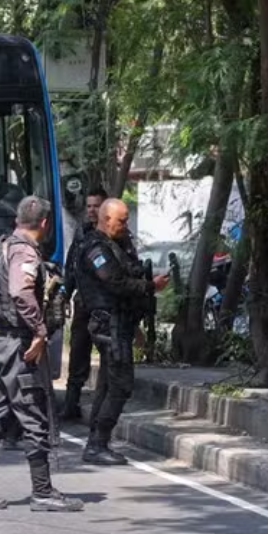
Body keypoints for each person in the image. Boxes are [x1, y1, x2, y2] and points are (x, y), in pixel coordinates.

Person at [0, 196, 83, 512]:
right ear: (44, 223)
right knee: (34, 416)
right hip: (21, 347)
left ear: (18, 220)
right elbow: (20, 291)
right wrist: (40, 332)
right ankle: (42, 492)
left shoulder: (1, 248)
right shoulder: (24, 251)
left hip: (3, 344)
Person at [76, 198, 169, 465]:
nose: (126, 226)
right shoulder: (96, 248)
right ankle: (97, 444)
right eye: (122, 220)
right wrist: (149, 286)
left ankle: (97, 441)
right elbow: (114, 282)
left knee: (108, 383)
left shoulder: (117, 246)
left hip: (119, 323)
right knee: (120, 384)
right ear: (106, 220)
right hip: (109, 324)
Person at [61, 185, 108, 420]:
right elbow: (71, 268)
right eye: (88, 206)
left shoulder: (115, 234)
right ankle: (71, 403)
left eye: (96, 206)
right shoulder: (81, 234)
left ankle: (105, 407)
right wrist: (64, 294)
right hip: (83, 303)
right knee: (78, 351)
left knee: (110, 354)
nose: (91, 211)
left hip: (106, 305)